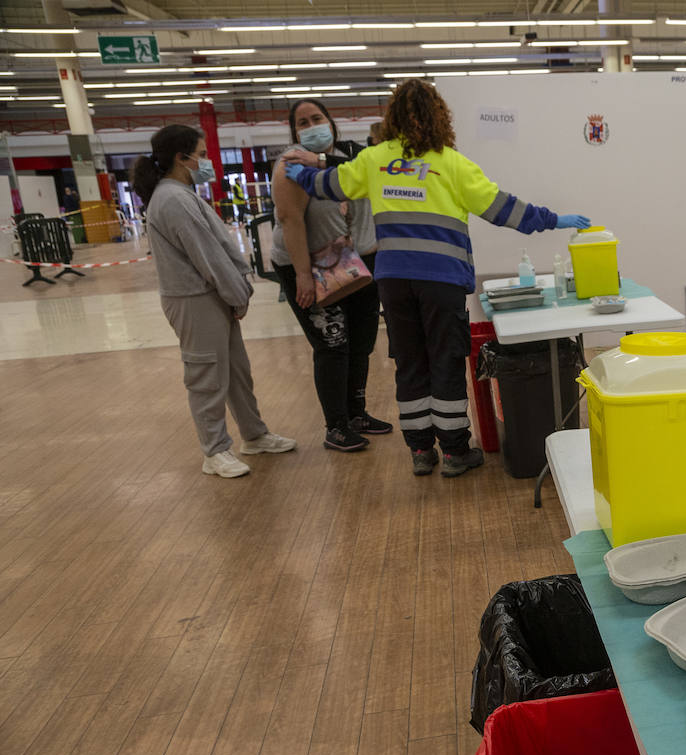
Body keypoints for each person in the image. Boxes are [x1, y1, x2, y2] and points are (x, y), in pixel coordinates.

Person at [280, 79, 590, 478]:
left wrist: (300, 171)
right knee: (444, 362)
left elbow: (328, 186)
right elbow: (505, 210)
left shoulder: (376, 159)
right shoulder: (451, 163)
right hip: (441, 281)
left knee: (410, 363)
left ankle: (421, 451)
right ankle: (455, 452)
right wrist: (554, 220)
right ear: (439, 116)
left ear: (392, 118)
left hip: (393, 281)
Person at [132, 125, 296, 478]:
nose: (206, 162)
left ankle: (253, 435)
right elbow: (207, 256)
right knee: (206, 376)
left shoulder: (183, 193)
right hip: (194, 299)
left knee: (236, 372)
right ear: (181, 158)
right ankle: (214, 450)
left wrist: (234, 292)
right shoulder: (172, 198)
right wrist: (237, 293)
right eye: (202, 155)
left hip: (213, 296)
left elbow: (216, 249)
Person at [271, 98, 389, 453]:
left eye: (317, 118)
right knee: (333, 345)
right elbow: (290, 221)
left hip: (360, 263)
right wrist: (303, 277)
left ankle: (357, 414)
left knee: (362, 343)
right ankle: (335, 426)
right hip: (310, 266)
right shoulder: (290, 166)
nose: (311, 127)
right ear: (294, 131)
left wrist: (323, 161)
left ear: (331, 122)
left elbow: (372, 173)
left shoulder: (354, 154)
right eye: (302, 122)